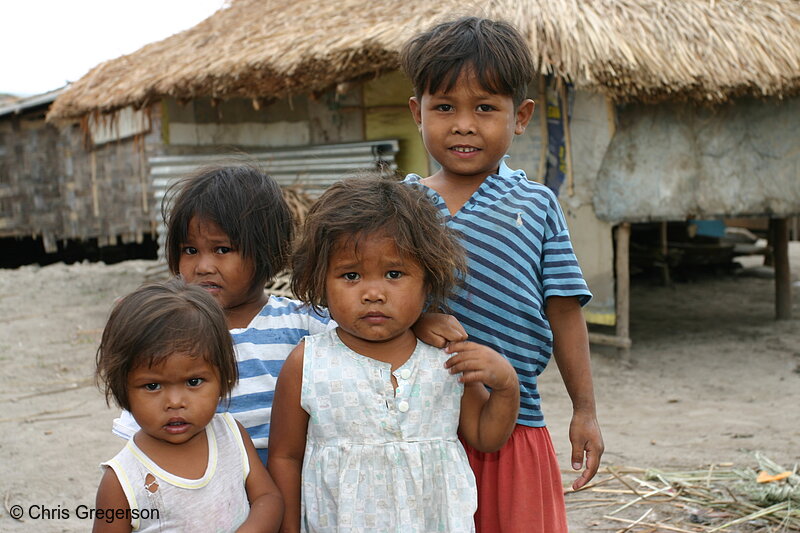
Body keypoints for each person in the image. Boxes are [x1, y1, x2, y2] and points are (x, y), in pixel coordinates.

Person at [112, 164, 467, 465]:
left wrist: (418, 320)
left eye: (222, 249)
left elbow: (367, 325)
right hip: (201, 479)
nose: (203, 266)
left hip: (286, 477)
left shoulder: (299, 321)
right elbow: (140, 425)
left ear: (267, 252)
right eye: (190, 250)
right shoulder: (170, 333)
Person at [399, 16, 604, 533]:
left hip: (517, 421)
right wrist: (417, 322)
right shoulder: (400, 206)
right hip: (420, 426)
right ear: (417, 113)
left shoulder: (536, 206)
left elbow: (563, 311)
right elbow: (369, 302)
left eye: (485, 108)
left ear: (521, 117)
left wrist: (585, 410)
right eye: (444, 107)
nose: (463, 124)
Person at [268, 175, 520, 533]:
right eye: (351, 275)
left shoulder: (444, 358)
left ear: (428, 281)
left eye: (394, 273)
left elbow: (485, 436)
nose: (373, 293)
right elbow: (285, 456)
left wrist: (508, 386)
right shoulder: (308, 363)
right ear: (319, 280)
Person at [94, 279, 283, 532]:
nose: (175, 402)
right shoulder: (123, 480)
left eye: (194, 381)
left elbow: (268, 498)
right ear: (122, 388)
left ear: (223, 377)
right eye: (152, 386)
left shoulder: (231, 435)